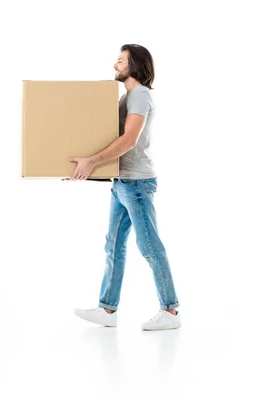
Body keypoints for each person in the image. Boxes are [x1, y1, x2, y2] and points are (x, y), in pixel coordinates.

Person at [71, 45, 181, 331]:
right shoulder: (127, 97)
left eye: (120, 61)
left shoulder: (141, 95)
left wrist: (92, 162)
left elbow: (129, 139)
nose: (115, 65)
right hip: (121, 181)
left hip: (137, 182)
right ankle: (108, 310)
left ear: (136, 65)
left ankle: (170, 310)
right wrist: (81, 166)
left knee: (149, 246)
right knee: (114, 245)